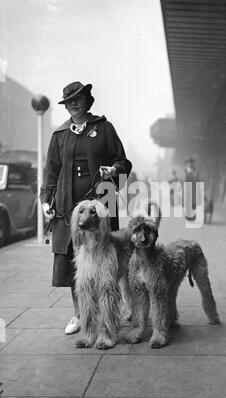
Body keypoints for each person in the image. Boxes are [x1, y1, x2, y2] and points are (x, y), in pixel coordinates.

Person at [40, 81, 132, 335]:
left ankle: (108, 311)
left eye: (77, 99)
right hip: (69, 208)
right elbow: (51, 172)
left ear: (87, 100)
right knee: (73, 263)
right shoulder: (59, 135)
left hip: (100, 205)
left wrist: (114, 170)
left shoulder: (104, 128)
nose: (72, 104)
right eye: (68, 101)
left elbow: (122, 160)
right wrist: (47, 200)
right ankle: (81, 314)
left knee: (105, 260)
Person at [184, 157, 200, 221]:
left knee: (193, 204)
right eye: (188, 163)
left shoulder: (196, 171)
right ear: (186, 164)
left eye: (191, 163)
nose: (189, 164)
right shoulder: (185, 171)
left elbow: (198, 179)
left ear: (193, 164)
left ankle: (192, 215)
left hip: (194, 189)